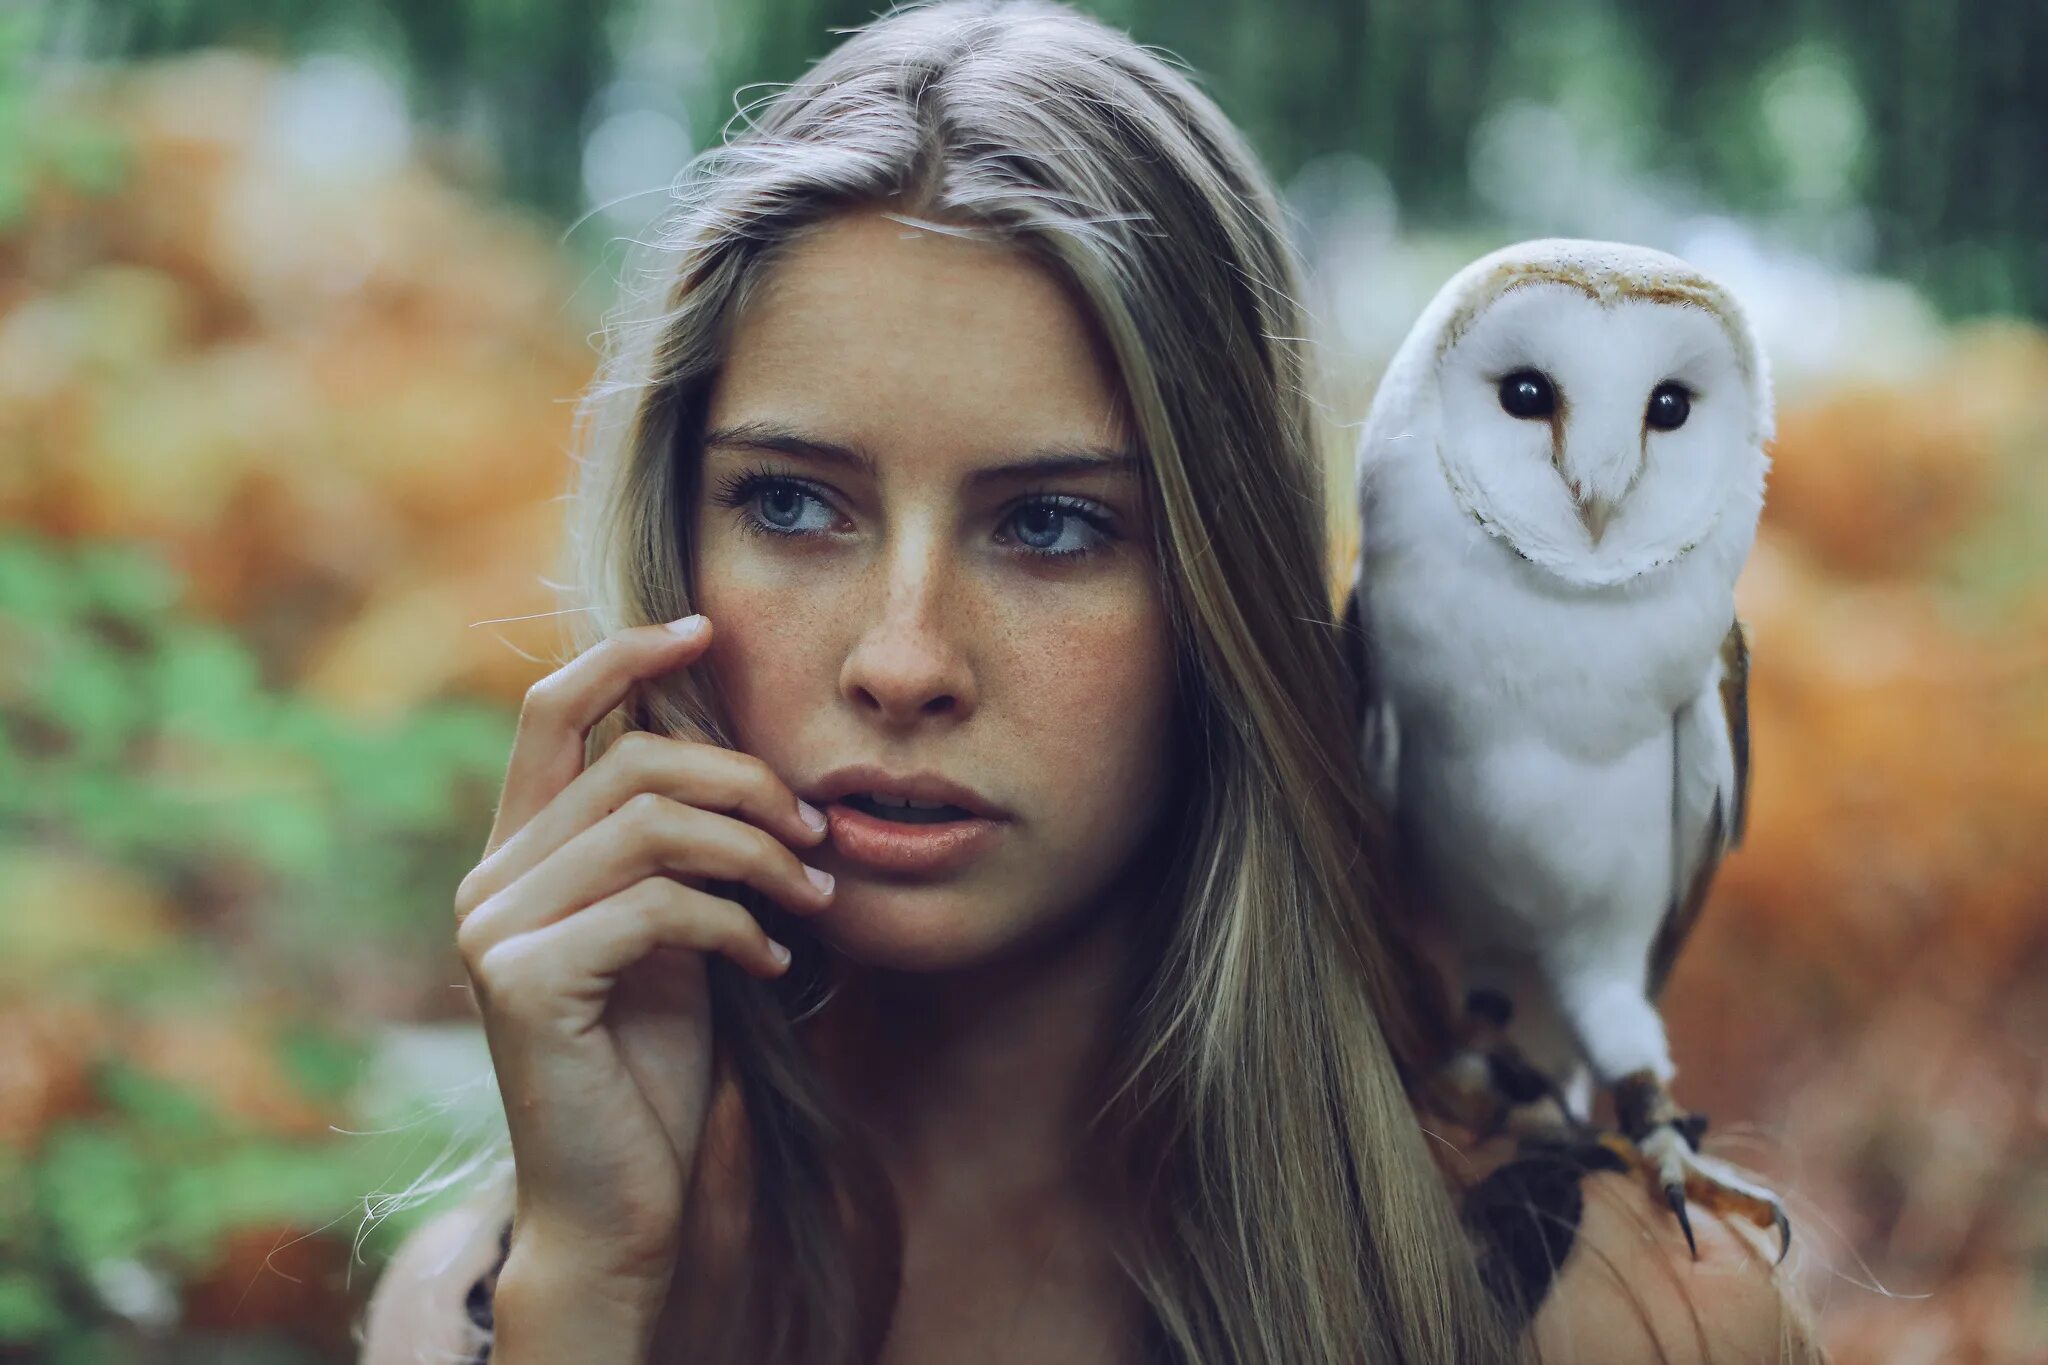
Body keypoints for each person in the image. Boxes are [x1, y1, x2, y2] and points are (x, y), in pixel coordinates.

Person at [356, 2, 1823, 1361]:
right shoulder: (492, 1301)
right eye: (795, 505)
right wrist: (597, 1288)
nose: (904, 661)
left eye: (1052, 524)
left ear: (1221, 592)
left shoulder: (1622, 1310)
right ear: (675, 540)